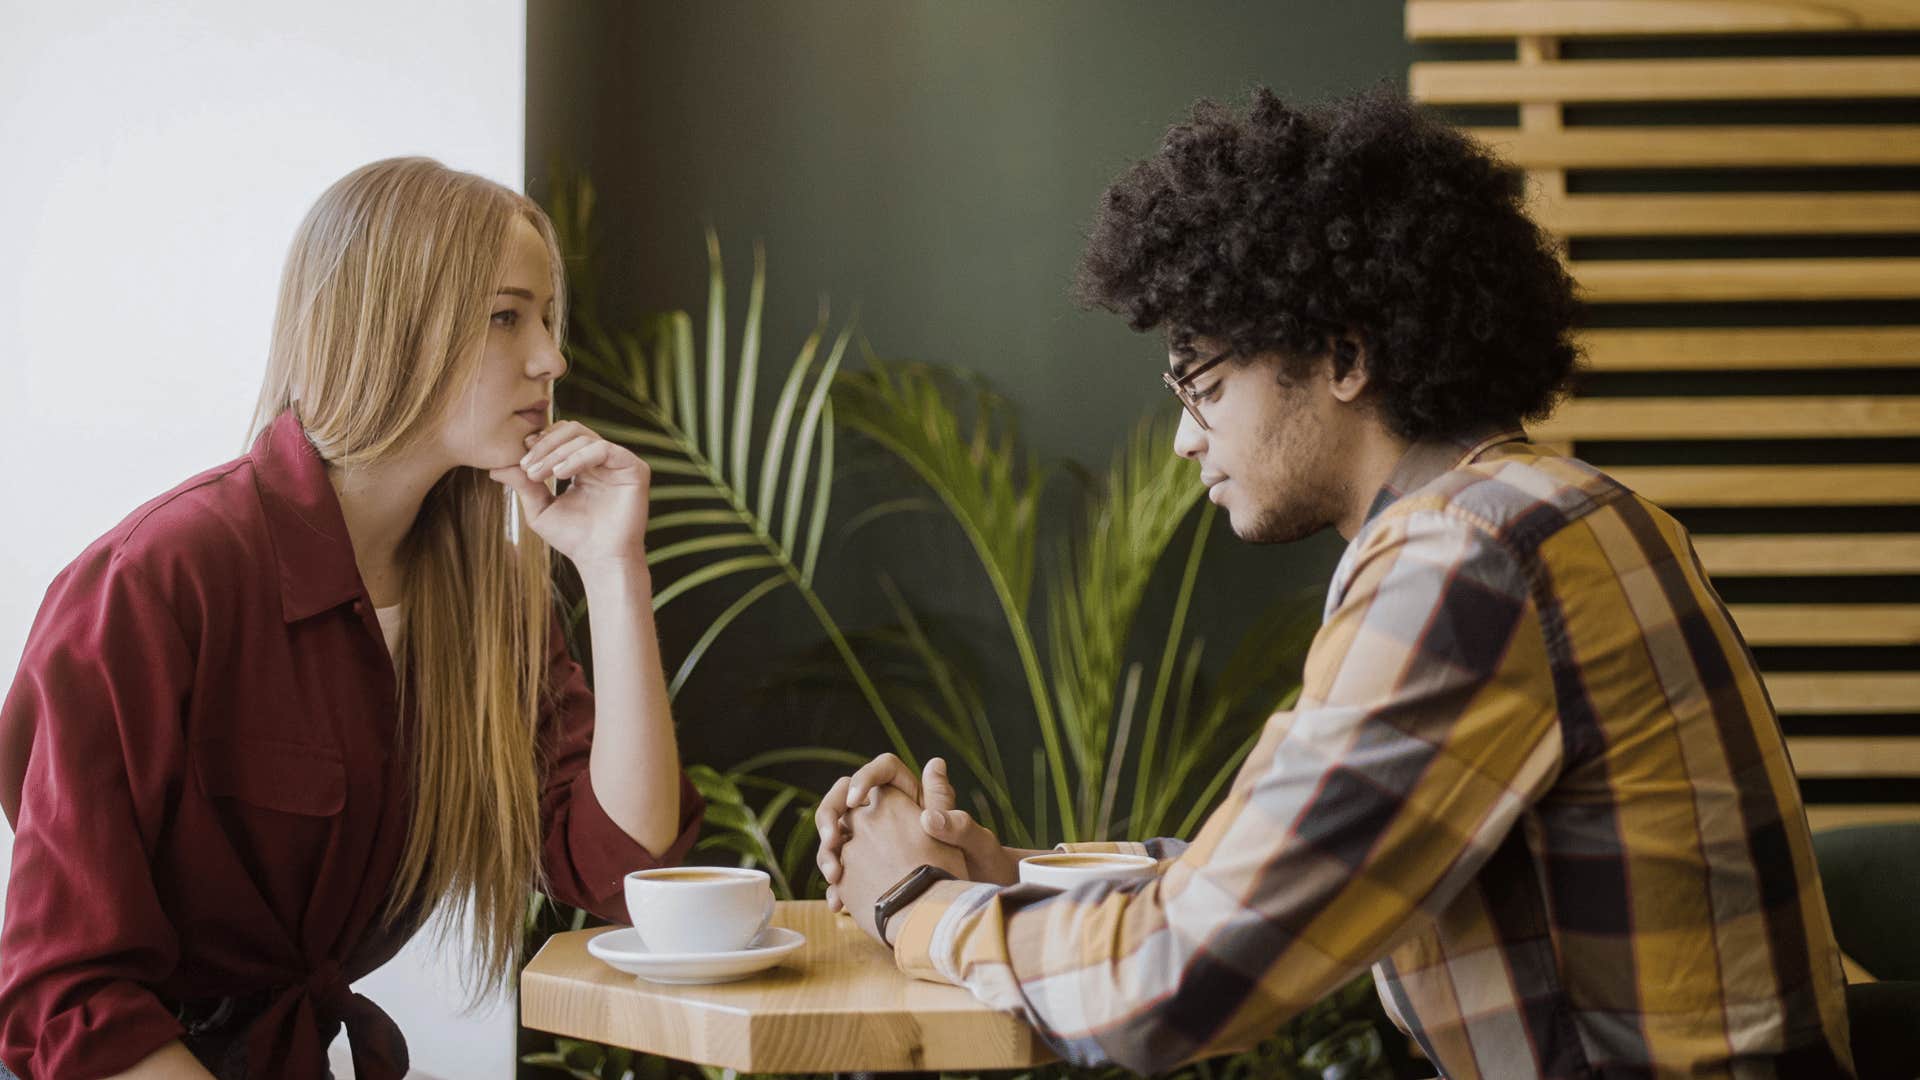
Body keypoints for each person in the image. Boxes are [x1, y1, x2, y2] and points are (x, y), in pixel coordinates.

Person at [815, 87, 1855, 1077]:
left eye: (1207, 386)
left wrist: (912, 902)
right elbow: (1289, 867)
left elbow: (1178, 982)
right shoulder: (1565, 510)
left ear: (1344, 356)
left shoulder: (1471, 559)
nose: (1184, 441)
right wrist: (1011, 880)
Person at [0, 157, 704, 1080]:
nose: (551, 359)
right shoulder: (159, 580)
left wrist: (614, 569)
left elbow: (621, 865)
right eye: (506, 316)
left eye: (544, 318)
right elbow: (69, 993)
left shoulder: (491, 602)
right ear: (394, 327)